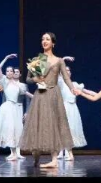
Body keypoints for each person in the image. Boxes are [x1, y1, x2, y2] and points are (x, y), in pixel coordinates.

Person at [19, 32, 77, 169]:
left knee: (53, 124)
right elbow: (28, 79)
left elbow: (66, 77)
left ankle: (54, 159)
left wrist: (72, 88)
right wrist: (36, 79)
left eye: (47, 39)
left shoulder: (59, 60)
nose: (44, 41)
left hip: (53, 94)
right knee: (39, 123)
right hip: (40, 95)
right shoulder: (37, 60)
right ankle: (36, 154)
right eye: (43, 39)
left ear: (53, 43)